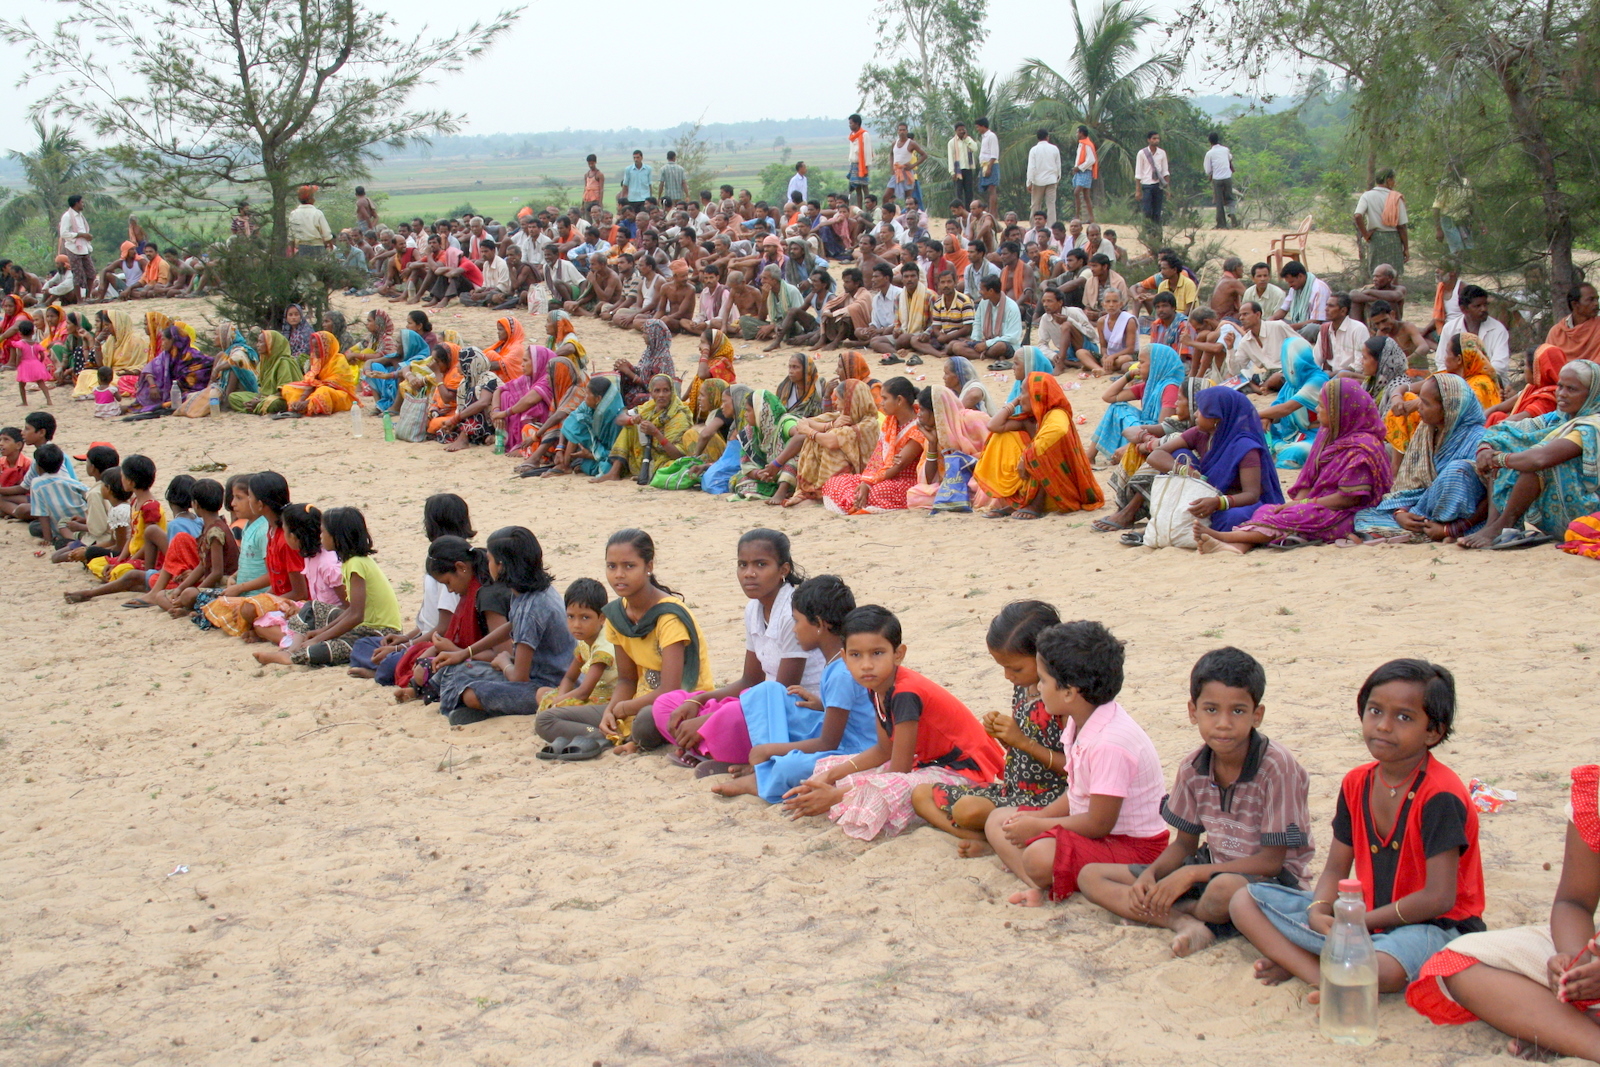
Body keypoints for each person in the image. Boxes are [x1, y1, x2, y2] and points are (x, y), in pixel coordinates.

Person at [1229, 659, 1483, 998]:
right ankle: (1323, 976)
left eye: (1404, 717)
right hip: (1361, 920)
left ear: (1433, 732)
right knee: (1244, 901)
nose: (1384, 726)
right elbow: (1336, 867)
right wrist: (1318, 909)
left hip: (1433, 927)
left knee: (1383, 968)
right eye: (1375, 711)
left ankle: (1322, 963)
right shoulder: (1356, 783)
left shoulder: (1440, 795)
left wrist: (1357, 922)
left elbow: (1439, 897)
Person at [1079, 647, 1313, 956]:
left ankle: (1184, 911)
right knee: (1091, 875)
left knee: (1222, 890)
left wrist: (1189, 875)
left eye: (1238, 711)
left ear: (1258, 715)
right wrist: (1151, 876)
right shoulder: (1193, 768)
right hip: (1212, 865)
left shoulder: (1276, 767)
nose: (1224, 723)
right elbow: (1183, 845)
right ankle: (1185, 922)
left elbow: (1271, 861)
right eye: (1211, 710)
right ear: (1193, 711)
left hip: (1270, 881)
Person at [1406, 764, 1600, 1062]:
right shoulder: (1595, 797)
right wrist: (1575, 962)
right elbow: (1574, 903)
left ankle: (1564, 1032)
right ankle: (1582, 1038)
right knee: (1461, 963)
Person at [781, 604, 1003, 841]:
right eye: (856, 655)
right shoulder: (876, 687)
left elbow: (899, 770)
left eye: (877, 653)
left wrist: (837, 796)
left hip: (967, 772)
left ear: (898, 654)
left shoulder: (905, 693)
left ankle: (971, 837)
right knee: (829, 768)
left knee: (886, 789)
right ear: (844, 657)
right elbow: (883, 749)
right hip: (927, 764)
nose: (866, 665)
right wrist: (831, 776)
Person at [983, 620, 1164, 907]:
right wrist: (1039, 819)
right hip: (1097, 834)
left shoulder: (1110, 743)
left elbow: (1099, 823)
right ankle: (1038, 884)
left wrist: (1041, 827)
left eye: (1042, 680)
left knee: (1039, 855)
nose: (1038, 688)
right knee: (997, 820)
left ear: (1068, 692)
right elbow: (1077, 793)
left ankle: (1045, 882)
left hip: (1131, 847)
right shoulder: (1081, 723)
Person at [650, 529, 824, 769]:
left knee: (729, 718)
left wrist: (709, 721)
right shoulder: (753, 609)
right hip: (757, 701)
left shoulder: (791, 613)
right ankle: (709, 750)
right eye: (743, 565)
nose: (749, 574)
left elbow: (779, 697)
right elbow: (749, 680)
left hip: (795, 711)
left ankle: (708, 749)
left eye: (761, 565)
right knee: (668, 704)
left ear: (783, 570)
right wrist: (699, 702)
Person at [534, 528, 713, 757]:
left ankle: (624, 737)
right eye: (612, 566)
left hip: (677, 706)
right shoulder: (618, 615)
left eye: (629, 566)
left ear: (649, 566)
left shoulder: (669, 617)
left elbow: (671, 689)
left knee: (647, 717)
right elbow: (627, 679)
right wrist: (610, 711)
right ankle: (599, 734)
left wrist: (624, 708)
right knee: (547, 719)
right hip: (636, 702)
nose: (619, 574)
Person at [910, 601, 1067, 856]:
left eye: (1015, 668)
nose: (1008, 675)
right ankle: (990, 840)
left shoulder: (1063, 700)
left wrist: (1024, 742)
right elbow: (1025, 746)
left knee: (967, 810)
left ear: (1046, 656)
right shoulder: (1025, 686)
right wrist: (1005, 736)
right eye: (1002, 667)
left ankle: (995, 839)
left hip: (1048, 800)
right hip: (1012, 790)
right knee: (920, 795)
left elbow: (1077, 768)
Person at [1197, 379, 1394, 552]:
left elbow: (1348, 499)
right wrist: (1294, 503)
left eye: (1322, 407)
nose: (1317, 410)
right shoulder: (1328, 435)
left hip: (1349, 512)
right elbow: (1310, 478)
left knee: (1296, 516)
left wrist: (1305, 504)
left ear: (1340, 413)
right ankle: (1237, 547)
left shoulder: (1361, 448)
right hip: (1320, 503)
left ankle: (1224, 537)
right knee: (1271, 511)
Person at [423, 526, 572, 727]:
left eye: (490, 560)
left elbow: (519, 678)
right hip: (535, 672)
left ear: (501, 566)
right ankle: (481, 709)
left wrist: (503, 663)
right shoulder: (533, 591)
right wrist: (465, 652)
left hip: (545, 682)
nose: (487, 563)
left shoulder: (531, 607)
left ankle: (489, 708)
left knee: (471, 692)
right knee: (460, 667)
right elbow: (510, 625)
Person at [1459, 359, 1600, 550]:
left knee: (1536, 464)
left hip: (1587, 513)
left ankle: (1502, 526)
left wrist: (1498, 459)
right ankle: (1493, 524)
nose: (1562, 394)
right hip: (1558, 504)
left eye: (1572, 389)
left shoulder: (1592, 425)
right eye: (1560, 386)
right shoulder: (1560, 416)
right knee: (1506, 444)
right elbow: (1504, 429)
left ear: (1592, 394)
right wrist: (1486, 448)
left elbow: (1539, 459)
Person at [349, 493, 474, 686]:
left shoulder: (453, 567)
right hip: (421, 637)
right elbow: (427, 619)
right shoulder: (436, 559)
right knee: (363, 645)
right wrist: (404, 638)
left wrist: (402, 647)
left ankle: (384, 672)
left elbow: (443, 627)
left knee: (394, 661)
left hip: (435, 642)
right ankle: (387, 667)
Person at [252, 507, 400, 668]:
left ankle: (294, 657)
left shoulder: (356, 565)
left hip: (379, 633)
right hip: (364, 625)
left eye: (323, 532)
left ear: (337, 537)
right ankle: (291, 650)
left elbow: (357, 615)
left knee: (326, 649)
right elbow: (351, 611)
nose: (320, 536)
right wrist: (322, 632)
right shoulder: (350, 562)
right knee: (312, 607)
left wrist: (319, 638)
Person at [976, 371, 1102, 519]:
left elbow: (1057, 432)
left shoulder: (1057, 414)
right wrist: (1015, 402)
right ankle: (1021, 501)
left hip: (1059, 485)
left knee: (1043, 452)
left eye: (1023, 392)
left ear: (1037, 394)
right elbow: (994, 426)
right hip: (1032, 477)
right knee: (1003, 437)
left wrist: (1026, 457)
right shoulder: (1029, 419)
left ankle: (1036, 504)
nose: (1020, 397)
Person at [822, 377, 924, 514]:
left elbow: (898, 465)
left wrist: (869, 484)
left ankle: (855, 502)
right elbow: (876, 458)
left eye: (885, 398)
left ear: (899, 400)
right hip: (881, 476)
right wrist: (866, 482)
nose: (881, 403)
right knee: (836, 481)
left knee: (878, 491)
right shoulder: (890, 422)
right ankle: (855, 501)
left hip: (903, 480)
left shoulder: (917, 428)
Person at [1088, 342, 1185, 466]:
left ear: (1156, 365)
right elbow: (1108, 397)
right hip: (1144, 430)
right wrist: (1128, 376)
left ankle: (1118, 452)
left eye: (1142, 362)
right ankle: (1090, 455)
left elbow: (1163, 428)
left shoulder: (1170, 388)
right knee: (1117, 407)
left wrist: (1130, 447)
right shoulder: (1150, 386)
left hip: (1153, 439)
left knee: (1124, 414)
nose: (1138, 366)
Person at [535, 578, 617, 715]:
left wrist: (558, 703)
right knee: (541, 692)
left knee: (559, 709)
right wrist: (559, 698)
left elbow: (584, 692)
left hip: (606, 700)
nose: (576, 624)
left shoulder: (604, 647)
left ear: (602, 618)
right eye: (571, 616)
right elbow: (569, 678)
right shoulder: (585, 641)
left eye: (585, 617)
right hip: (590, 694)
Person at [1435, 284, 1511, 375]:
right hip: (1457, 379)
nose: (1484, 309)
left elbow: (1500, 365)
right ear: (1463, 309)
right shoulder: (1450, 328)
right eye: (1477, 306)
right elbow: (1441, 361)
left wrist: (1472, 377)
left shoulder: (1498, 329)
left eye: (1485, 305)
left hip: (1490, 380)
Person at [1485, 343, 1566, 427]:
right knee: (1496, 416)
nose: (1524, 370)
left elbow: (1514, 420)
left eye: (1525, 365)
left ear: (1537, 370)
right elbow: (1498, 407)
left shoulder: (1548, 398)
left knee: (1497, 419)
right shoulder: (1531, 388)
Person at [279, 331, 357, 417]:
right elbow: (311, 383)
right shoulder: (317, 361)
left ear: (327, 347)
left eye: (318, 347)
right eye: (314, 347)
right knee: (288, 388)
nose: (315, 351)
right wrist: (301, 400)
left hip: (337, 394)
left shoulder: (338, 361)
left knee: (323, 391)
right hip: (316, 391)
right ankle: (299, 406)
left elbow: (332, 385)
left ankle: (309, 405)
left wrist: (307, 401)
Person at [1353, 168, 1409, 276]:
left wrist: (1365, 235)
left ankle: (1377, 293)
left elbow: (1357, 215)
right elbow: (1402, 226)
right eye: (1393, 179)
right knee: (1393, 275)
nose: (1394, 182)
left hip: (1376, 239)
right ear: (1388, 180)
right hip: (1394, 239)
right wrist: (1406, 248)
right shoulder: (1396, 197)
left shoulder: (1367, 196)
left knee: (1377, 274)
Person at [1545, 282, 1600, 364]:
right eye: (1591, 300)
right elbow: (1549, 363)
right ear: (1575, 304)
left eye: (1597, 299)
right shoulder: (1557, 332)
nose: (1596, 303)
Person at [57, 194, 94, 300]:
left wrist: (86, 236)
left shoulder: (80, 216)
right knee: (77, 274)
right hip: (73, 248)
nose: (83, 204)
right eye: (81, 202)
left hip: (84, 247)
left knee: (91, 273)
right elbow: (64, 233)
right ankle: (79, 299)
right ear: (76, 203)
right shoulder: (67, 216)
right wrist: (80, 235)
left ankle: (88, 296)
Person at [13, 321, 54, 407]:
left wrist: (17, 364)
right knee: (41, 383)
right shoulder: (36, 344)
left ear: (19, 332)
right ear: (33, 332)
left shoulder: (20, 344)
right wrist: (39, 361)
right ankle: (48, 400)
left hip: (24, 364)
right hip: (36, 363)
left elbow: (19, 355)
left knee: (21, 384)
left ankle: (24, 402)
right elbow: (42, 354)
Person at [1025, 129, 1061, 227]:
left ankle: (1034, 225)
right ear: (1047, 137)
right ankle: (1052, 227)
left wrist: (1029, 182)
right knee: (1051, 205)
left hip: (1037, 181)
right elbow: (1058, 166)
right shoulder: (1054, 149)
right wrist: (1057, 179)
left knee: (1035, 204)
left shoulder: (1034, 150)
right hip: (1051, 180)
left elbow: (1031, 167)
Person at [287, 185, 333, 257]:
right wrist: (331, 249)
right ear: (310, 199)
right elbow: (327, 235)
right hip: (318, 247)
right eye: (313, 196)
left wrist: (292, 254)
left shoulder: (293, 214)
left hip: (302, 248)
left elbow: (291, 237)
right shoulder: (317, 213)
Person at [1203, 132, 1236, 229]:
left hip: (1217, 179)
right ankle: (1232, 213)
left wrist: (1211, 174)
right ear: (1218, 139)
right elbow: (1230, 158)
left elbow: (1208, 170)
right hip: (1227, 178)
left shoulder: (1209, 153)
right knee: (1230, 198)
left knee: (1219, 202)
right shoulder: (1225, 150)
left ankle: (1221, 224)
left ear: (1209, 141)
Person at [1135, 131, 1169, 225]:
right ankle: (1147, 231)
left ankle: (1157, 234)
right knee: (1147, 211)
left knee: (1157, 212)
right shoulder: (1142, 153)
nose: (1156, 140)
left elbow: (1165, 171)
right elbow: (1138, 173)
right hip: (1147, 185)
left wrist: (1168, 189)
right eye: (1154, 138)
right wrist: (1138, 190)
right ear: (1149, 140)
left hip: (1158, 185)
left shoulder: (1162, 153)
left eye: (1158, 138)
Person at [947, 122, 979, 211]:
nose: (962, 131)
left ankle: (968, 212)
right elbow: (950, 157)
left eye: (963, 129)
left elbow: (975, 148)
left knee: (969, 192)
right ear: (956, 131)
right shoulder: (952, 142)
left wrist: (967, 139)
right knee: (958, 192)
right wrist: (952, 172)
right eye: (959, 130)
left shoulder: (968, 140)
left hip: (968, 169)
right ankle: (959, 211)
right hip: (958, 171)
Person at [1071, 126, 1098, 222]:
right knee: (1086, 195)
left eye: (1077, 132)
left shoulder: (1087, 144)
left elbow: (1091, 160)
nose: (1076, 134)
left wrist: (1080, 167)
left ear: (1081, 133)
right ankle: (1091, 218)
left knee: (1077, 192)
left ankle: (1077, 216)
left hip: (1085, 171)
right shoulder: (1082, 144)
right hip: (1080, 171)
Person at [845, 114, 872, 210]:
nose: (850, 125)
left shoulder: (864, 134)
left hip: (862, 164)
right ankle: (860, 208)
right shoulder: (852, 136)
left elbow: (868, 151)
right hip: (854, 163)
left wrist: (866, 165)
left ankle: (869, 207)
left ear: (857, 123)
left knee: (864, 186)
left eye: (851, 123)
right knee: (857, 188)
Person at [976, 116, 1000, 218]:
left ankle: (993, 213)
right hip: (984, 165)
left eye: (978, 127)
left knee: (992, 189)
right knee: (986, 189)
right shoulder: (984, 137)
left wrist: (989, 167)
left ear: (983, 126)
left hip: (990, 164)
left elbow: (994, 154)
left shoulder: (991, 136)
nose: (977, 129)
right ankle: (989, 211)